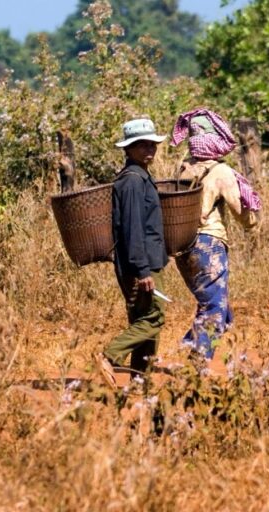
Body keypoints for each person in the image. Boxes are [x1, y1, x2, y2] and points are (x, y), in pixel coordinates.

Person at [169, 109, 261, 360]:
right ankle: (194, 360)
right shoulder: (221, 172)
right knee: (215, 311)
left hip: (182, 247)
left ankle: (194, 352)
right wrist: (254, 221)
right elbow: (242, 214)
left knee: (215, 305)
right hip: (209, 245)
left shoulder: (184, 167)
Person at [95, 118, 169, 389]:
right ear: (128, 149)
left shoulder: (139, 177)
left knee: (144, 323)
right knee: (153, 319)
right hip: (142, 266)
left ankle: (140, 384)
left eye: (152, 144)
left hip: (148, 263)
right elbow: (132, 229)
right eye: (141, 145)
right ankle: (109, 355)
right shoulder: (132, 182)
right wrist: (142, 271)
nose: (149, 149)